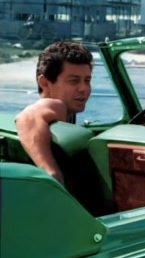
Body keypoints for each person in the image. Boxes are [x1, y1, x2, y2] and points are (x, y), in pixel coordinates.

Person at [15, 41, 94, 185]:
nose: (84, 88)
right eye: (74, 81)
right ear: (45, 83)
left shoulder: (65, 113)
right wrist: (52, 174)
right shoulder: (56, 105)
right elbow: (27, 117)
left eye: (87, 80)